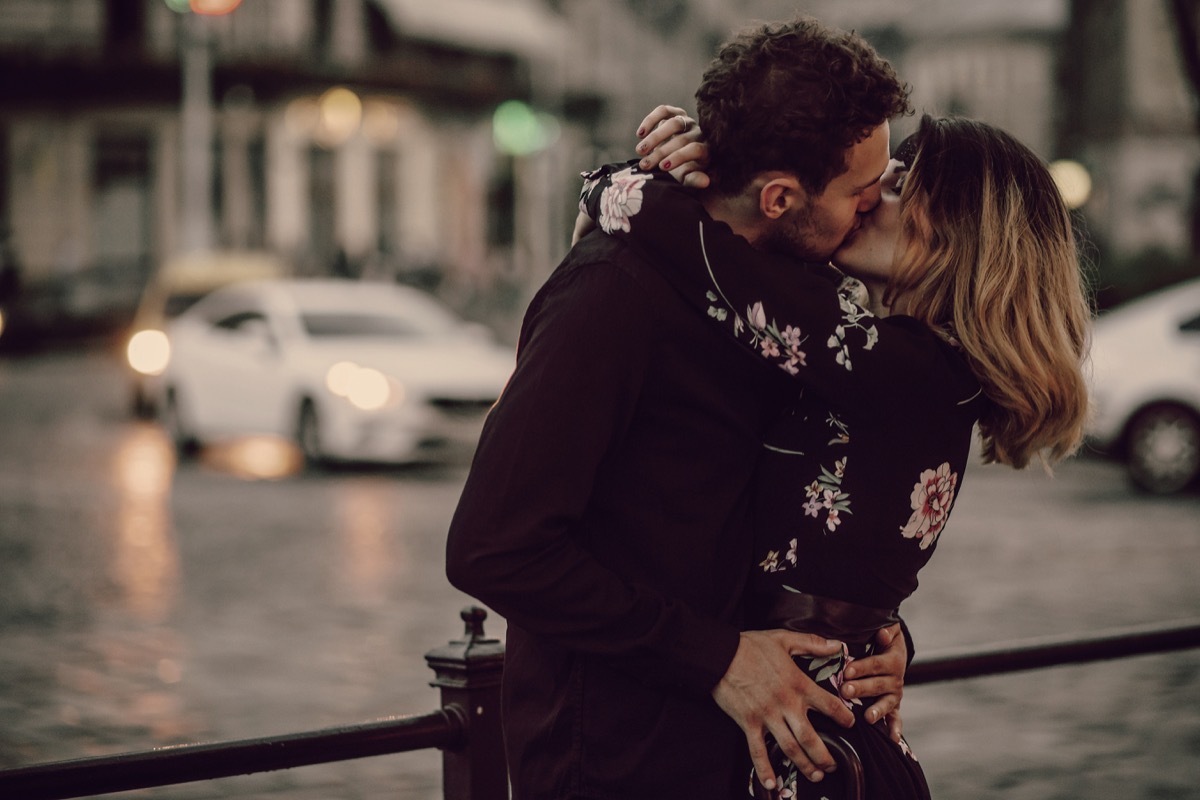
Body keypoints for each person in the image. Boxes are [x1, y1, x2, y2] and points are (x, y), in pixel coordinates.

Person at [446, 17, 914, 800]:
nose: (874, 211)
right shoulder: (610, 295)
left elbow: (790, 531)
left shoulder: (806, 316)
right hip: (616, 762)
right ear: (779, 197)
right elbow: (493, 547)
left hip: (751, 758)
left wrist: (879, 640)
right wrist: (721, 659)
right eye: (861, 196)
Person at [576, 111, 1092, 799]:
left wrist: (620, 183)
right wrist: (882, 632)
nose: (871, 193)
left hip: (810, 755)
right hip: (810, 729)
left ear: (961, 237)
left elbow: (714, 262)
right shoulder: (909, 366)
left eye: (901, 184)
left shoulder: (904, 369)